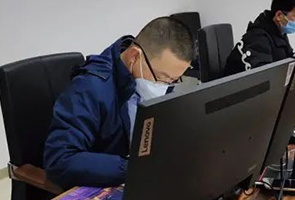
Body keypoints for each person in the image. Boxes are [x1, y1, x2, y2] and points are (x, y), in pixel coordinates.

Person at [44, 17, 195, 189]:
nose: (165, 86)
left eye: (173, 80)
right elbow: (60, 160)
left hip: (138, 177)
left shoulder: (150, 75)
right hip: (100, 186)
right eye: (162, 77)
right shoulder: (89, 88)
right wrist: (132, 167)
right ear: (134, 57)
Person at [224, 0, 295, 76]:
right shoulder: (258, 38)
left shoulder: (278, 32)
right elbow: (263, 75)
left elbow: (289, 59)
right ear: (279, 15)